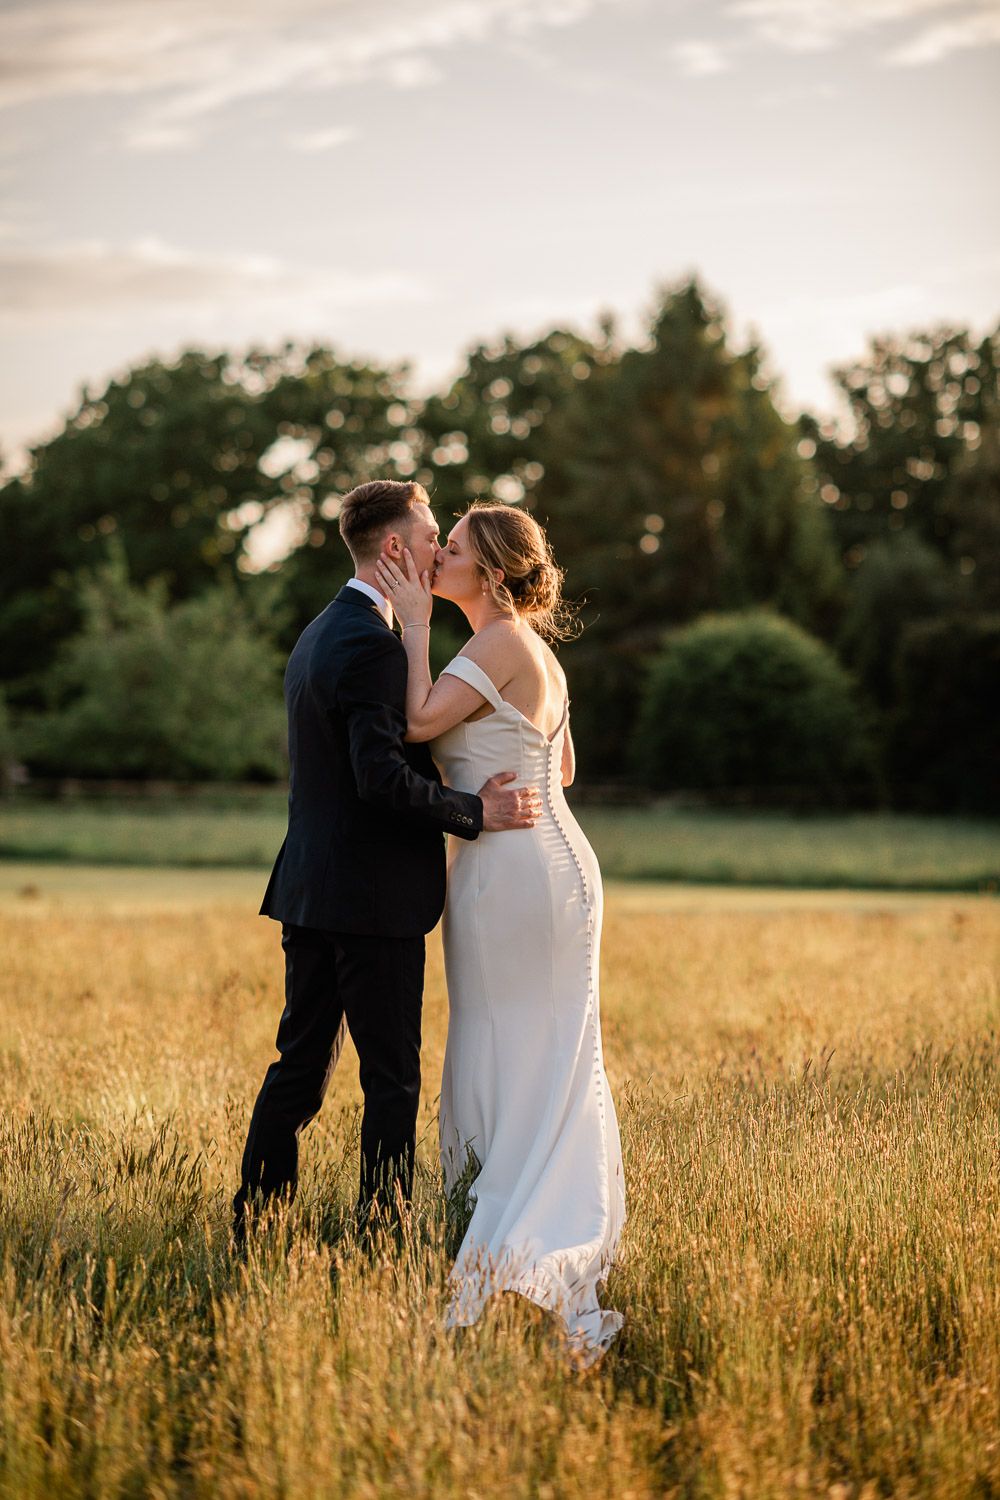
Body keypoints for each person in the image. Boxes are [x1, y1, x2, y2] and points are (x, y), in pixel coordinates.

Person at [233, 481, 541, 1242]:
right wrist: (474, 812)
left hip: (311, 888)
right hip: (371, 899)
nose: (440, 550)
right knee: (391, 1080)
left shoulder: (319, 631)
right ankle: (381, 1233)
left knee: (298, 1067)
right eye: (433, 537)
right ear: (396, 547)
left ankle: (256, 1221)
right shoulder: (373, 644)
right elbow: (380, 779)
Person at [375, 501, 625, 1365]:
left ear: (486, 572)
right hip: (544, 859)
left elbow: (415, 722)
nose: (435, 557)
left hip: (516, 870)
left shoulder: (497, 642)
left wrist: (413, 625)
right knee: (531, 1042)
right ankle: (516, 1209)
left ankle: (517, 1235)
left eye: (449, 549)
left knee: (517, 1041)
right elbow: (563, 767)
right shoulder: (533, 650)